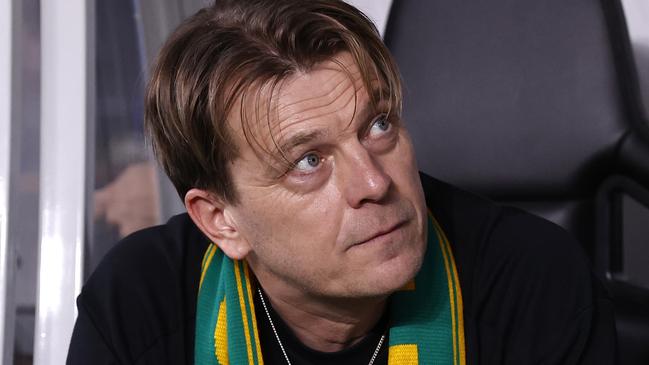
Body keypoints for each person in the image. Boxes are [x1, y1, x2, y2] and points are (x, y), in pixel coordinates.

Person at [66, 0, 617, 364]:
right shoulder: (141, 304)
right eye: (309, 161)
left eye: (378, 126)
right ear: (221, 220)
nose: (374, 182)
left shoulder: (532, 282)